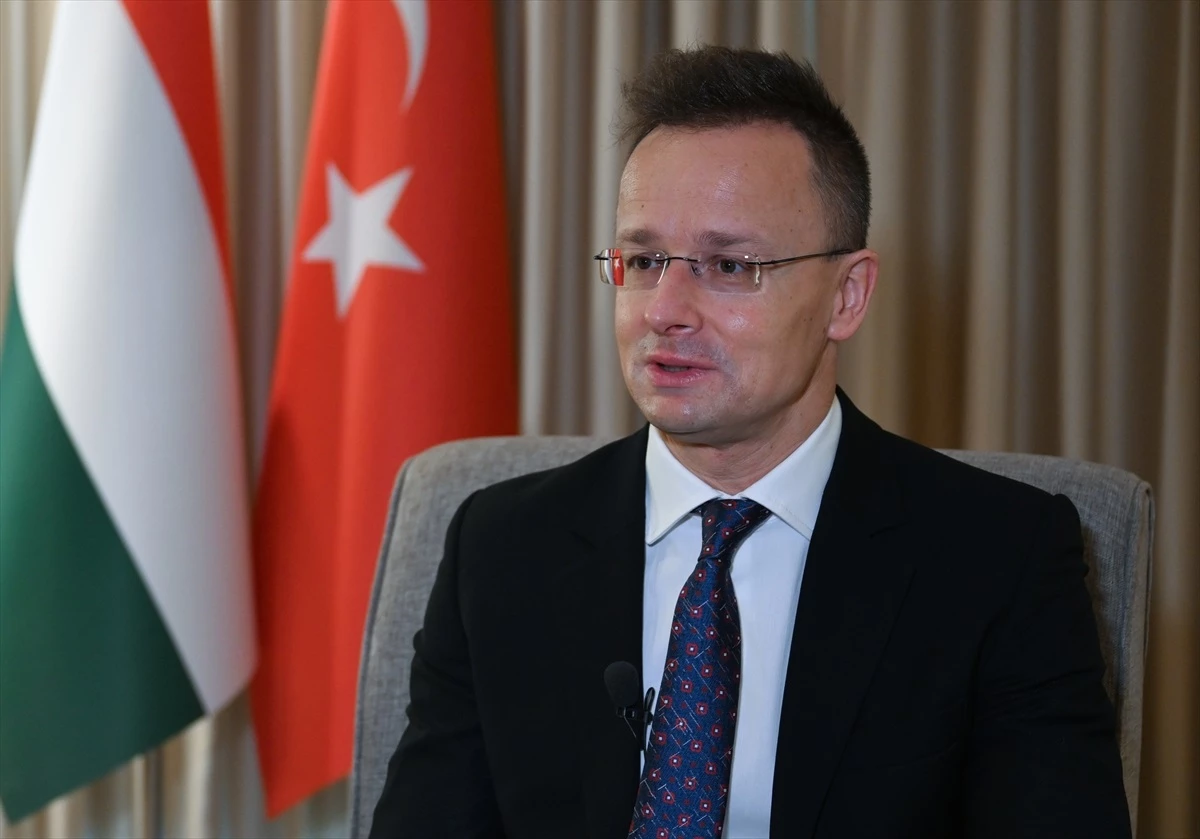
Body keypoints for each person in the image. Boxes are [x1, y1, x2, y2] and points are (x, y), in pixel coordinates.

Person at [368, 46, 1129, 838]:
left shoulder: (999, 558)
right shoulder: (501, 547)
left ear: (846, 295)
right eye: (644, 259)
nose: (664, 309)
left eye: (729, 266)